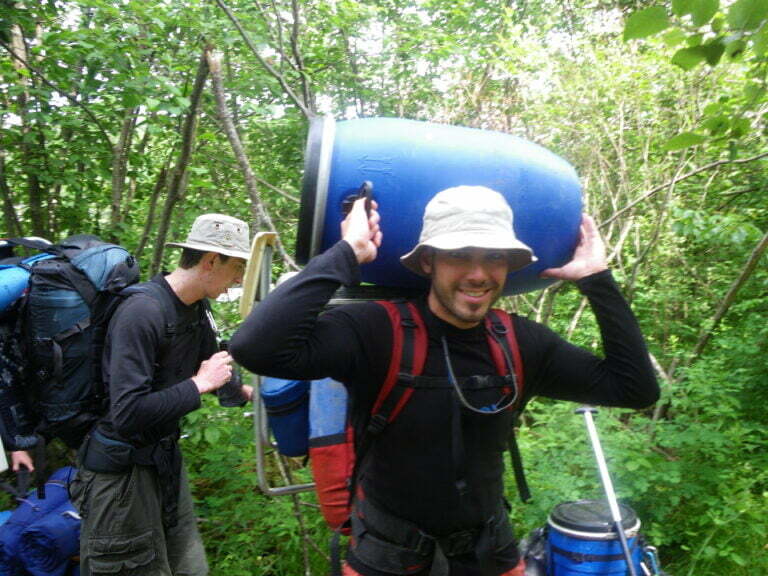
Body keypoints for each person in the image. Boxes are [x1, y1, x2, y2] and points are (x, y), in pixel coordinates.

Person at [230, 186, 660, 576]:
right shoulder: (375, 331)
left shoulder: (520, 342)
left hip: (489, 552)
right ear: (428, 261)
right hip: (387, 555)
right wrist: (348, 251)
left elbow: (635, 388)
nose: (478, 274)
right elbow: (255, 348)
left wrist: (597, 281)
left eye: (494, 257)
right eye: (460, 255)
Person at [70, 214, 253, 576]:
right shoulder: (141, 311)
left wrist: (257, 397)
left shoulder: (196, 309)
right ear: (210, 261)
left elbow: (213, 369)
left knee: (189, 569)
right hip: (120, 479)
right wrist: (198, 384)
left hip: (163, 464)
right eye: (237, 267)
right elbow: (127, 413)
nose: (239, 278)